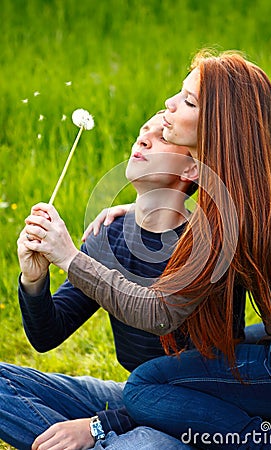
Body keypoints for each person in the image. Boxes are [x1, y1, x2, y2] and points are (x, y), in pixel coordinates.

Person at [21, 49, 271, 450]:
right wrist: (151, 203)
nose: (169, 105)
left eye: (189, 101)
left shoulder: (233, 209)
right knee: (224, 352)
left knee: (146, 385)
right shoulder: (253, 168)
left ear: (220, 125)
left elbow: (161, 313)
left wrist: (68, 257)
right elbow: (48, 331)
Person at [0, 112, 208, 450]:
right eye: (144, 130)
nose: (142, 139)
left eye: (163, 137)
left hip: (189, 414)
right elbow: (47, 335)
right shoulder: (111, 234)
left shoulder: (206, 247)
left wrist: (99, 425)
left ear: (191, 170)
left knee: (145, 447)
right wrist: (34, 280)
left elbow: (204, 385)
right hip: (131, 396)